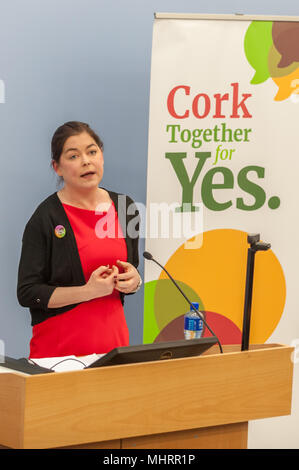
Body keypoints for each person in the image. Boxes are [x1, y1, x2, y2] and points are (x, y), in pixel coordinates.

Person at [17, 121, 141, 359]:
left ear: (102, 156)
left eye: (92, 152)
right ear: (57, 168)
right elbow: (28, 292)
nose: (86, 161)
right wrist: (88, 291)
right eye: (73, 156)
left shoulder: (125, 208)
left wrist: (134, 281)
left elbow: (132, 269)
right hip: (58, 356)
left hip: (112, 349)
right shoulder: (45, 218)